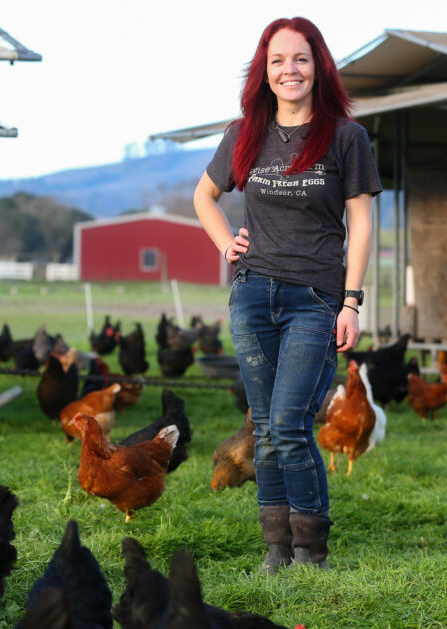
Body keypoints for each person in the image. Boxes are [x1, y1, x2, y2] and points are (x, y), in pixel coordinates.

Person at [194, 17, 381, 572]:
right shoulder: (244, 133)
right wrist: (226, 243)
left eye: (300, 58)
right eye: (277, 60)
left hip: (316, 299)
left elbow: (362, 224)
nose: (289, 70)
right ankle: (276, 550)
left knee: (291, 424)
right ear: (265, 70)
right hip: (253, 295)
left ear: (318, 66)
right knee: (266, 427)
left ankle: (310, 552)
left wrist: (351, 302)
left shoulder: (345, 137)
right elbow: (204, 196)